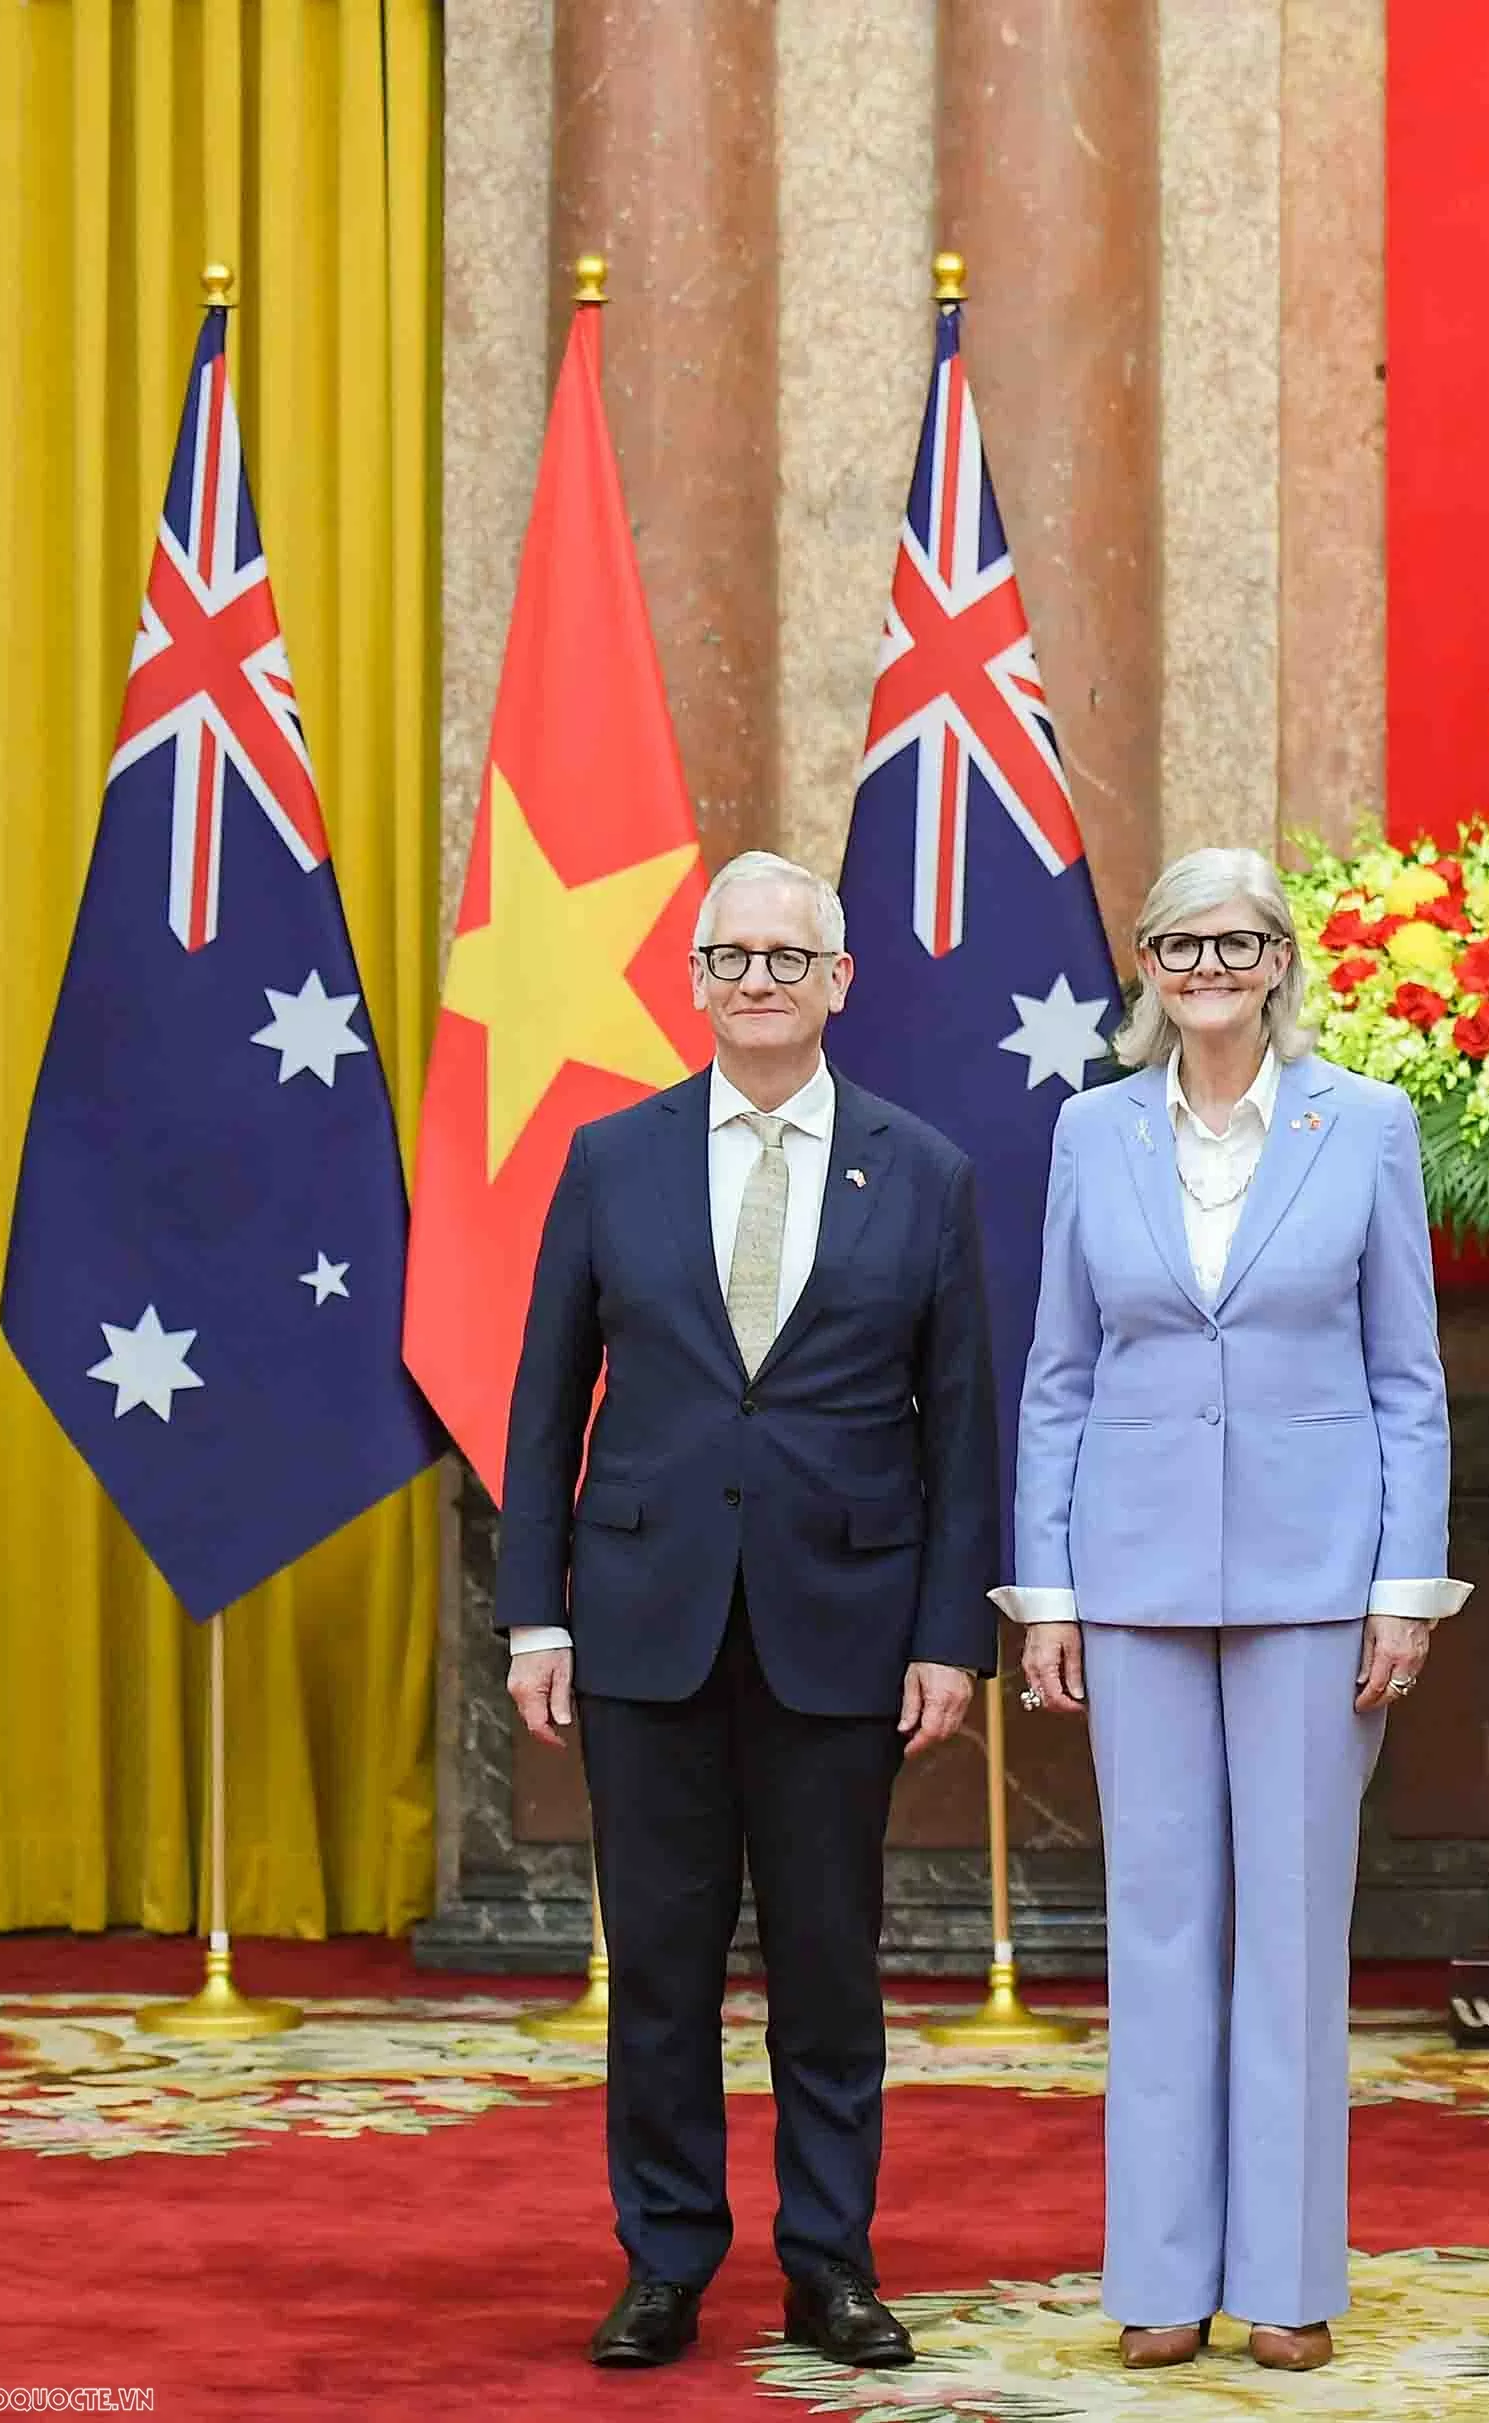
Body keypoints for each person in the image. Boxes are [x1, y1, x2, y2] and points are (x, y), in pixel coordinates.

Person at [498, 849, 1000, 2373]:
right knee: (657, 1965)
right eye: (734, 958)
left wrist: (946, 1636)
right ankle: (664, 2260)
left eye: (790, 957)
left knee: (831, 1966)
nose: (762, 981)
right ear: (695, 982)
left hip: (842, 1630)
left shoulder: (925, 1169)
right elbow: (541, 1404)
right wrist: (535, 1616)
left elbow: (961, 1426)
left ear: (842, 982)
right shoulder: (609, 1158)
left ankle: (831, 2262)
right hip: (645, 1622)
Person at [1001, 847, 1460, 2375]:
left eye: (1236, 939)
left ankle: (1286, 2274)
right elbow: (1059, 1372)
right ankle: (1158, 2273)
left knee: (1291, 1929)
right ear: (1147, 961)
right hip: (1128, 1582)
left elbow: (1409, 1377)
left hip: (1318, 1583)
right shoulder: (1090, 1130)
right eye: (1179, 940)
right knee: (1159, 1921)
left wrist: (1406, 1588)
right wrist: (1048, 1589)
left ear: (1279, 960)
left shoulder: (1367, 1124)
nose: (1208, 963)